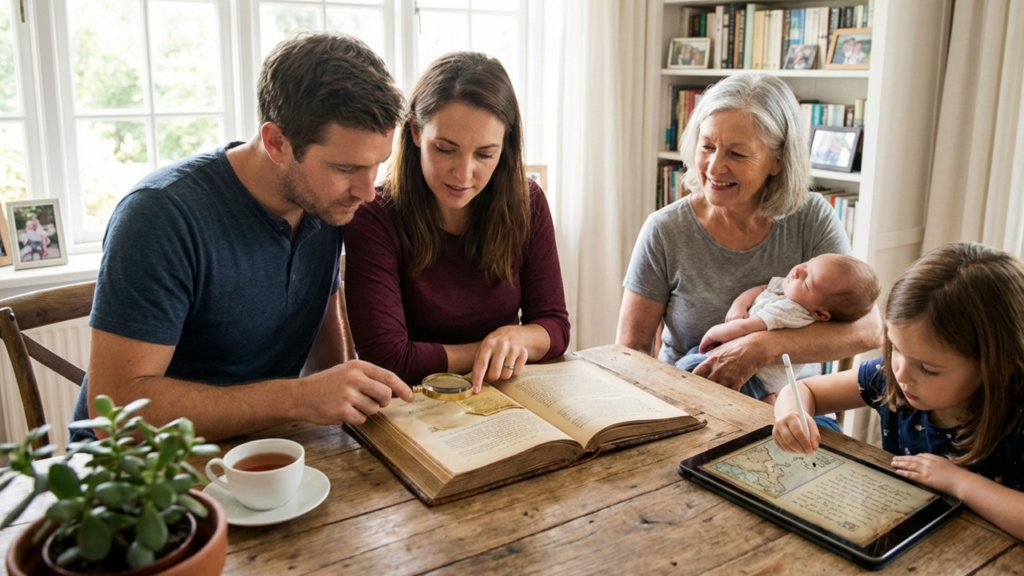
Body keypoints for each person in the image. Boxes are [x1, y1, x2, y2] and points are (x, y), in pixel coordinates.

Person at [70, 33, 412, 443]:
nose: (367, 191)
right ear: (276, 143)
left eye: (377, 165)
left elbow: (323, 303)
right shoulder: (160, 216)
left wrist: (343, 392)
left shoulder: (328, 201)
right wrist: (298, 398)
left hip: (266, 448)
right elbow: (118, 411)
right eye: (345, 168)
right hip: (143, 471)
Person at [616, 72, 882, 402]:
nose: (714, 168)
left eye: (737, 154)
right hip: (688, 397)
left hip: (787, 404)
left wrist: (758, 347)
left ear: (777, 161)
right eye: (707, 146)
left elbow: (869, 329)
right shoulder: (665, 229)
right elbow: (631, 350)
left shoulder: (811, 217)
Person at [343, 52, 570, 391]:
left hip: (507, 393)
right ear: (416, 131)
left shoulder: (528, 202)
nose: (464, 174)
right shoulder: (374, 214)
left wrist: (519, 338)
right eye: (446, 149)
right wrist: (495, 348)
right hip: (415, 402)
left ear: (505, 145)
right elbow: (387, 359)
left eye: (484, 154)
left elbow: (555, 327)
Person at [773, 242, 1024, 540]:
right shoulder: (889, 375)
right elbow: (805, 390)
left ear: (997, 365)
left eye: (928, 368)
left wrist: (959, 483)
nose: (900, 372)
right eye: (895, 349)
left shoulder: (1016, 417)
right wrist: (791, 415)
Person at [680, 254, 879, 400]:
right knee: (690, 362)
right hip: (727, 356)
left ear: (820, 314)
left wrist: (714, 332)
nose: (797, 271)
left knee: (686, 369)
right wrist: (739, 305)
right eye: (806, 264)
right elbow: (761, 289)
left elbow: (746, 328)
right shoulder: (791, 288)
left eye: (807, 280)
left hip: (753, 379)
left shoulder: (792, 311)